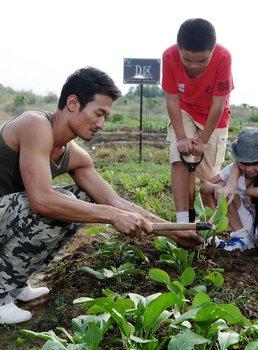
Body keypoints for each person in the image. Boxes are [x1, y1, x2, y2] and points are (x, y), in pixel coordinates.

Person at [0, 67, 202, 324]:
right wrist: (111, 216)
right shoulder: (36, 124)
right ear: (73, 103)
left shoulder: (75, 156)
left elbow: (115, 201)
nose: (101, 124)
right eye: (98, 113)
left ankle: (14, 280)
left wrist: (173, 231)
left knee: (82, 198)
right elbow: (41, 200)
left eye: (106, 116)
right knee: (48, 204)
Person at [162, 18, 234, 223]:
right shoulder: (169, 56)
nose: (194, 66)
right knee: (178, 157)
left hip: (213, 115)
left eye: (202, 61)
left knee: (209, 178)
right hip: (184, 109)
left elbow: (218, 104)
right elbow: (172, 101)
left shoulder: (223, 57)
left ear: (212, 50)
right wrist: (182, 137)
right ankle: (183, 220)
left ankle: (213, 224)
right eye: (187, 60)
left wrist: (202, 141)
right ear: (179, 50)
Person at [200, 128, 258, 260]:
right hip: (247, 222)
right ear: (236, 160)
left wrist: (250, 191)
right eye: (244, 163)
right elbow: (204, 186)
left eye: (256, 163)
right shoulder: (232, 169)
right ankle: (242, 238)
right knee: (225, 191)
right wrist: (217, 188)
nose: (249, 168)